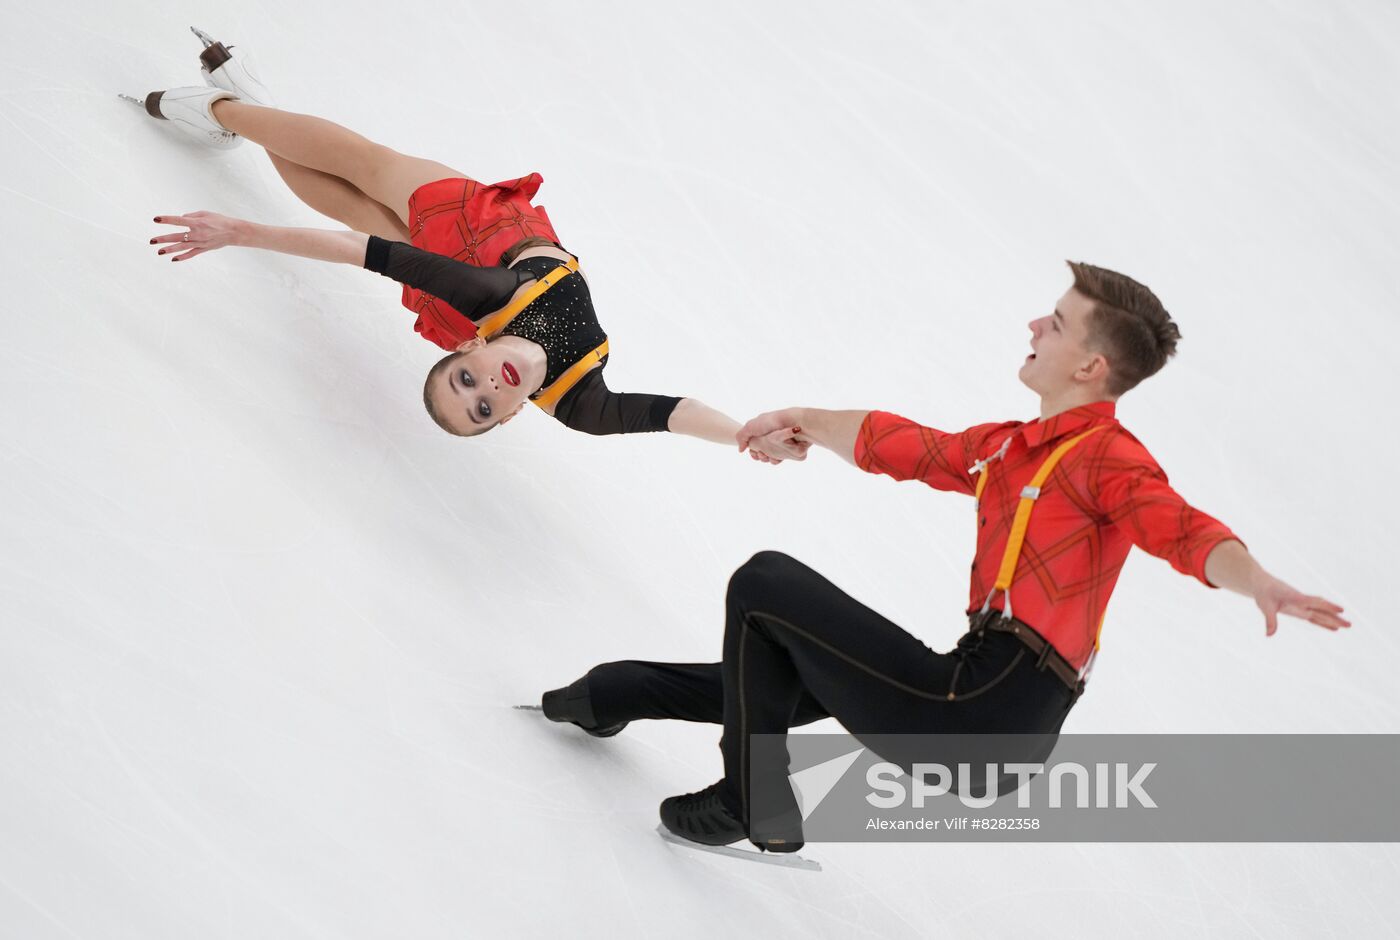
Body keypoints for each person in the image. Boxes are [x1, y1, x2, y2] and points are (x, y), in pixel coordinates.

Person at [540, 261, 1351, 853]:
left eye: (1057, 323)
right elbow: (910, 447)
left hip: (986, 706)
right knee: (783, 661)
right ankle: (610, 693)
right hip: (986, 703)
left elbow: (1181, 529)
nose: (1036, 326)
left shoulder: (1108, 458)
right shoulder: (1011, 449)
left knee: (763, 584)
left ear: (1091, 366)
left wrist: (1257, 582)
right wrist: (796, 419)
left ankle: (751, 799)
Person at [131, 31, 804, 457]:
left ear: (466, 348)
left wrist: (240, 231)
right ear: (508, 418)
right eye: (483, 407)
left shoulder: (480, 302)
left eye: (463, 384)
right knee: (361, 175)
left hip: (463, 238)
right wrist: (744, 434)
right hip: (493, 235)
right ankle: (248, 109)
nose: (485, 387)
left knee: (363, 191)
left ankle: (221, 110)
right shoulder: (582, 403)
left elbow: (352, 249)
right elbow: (672, 415)